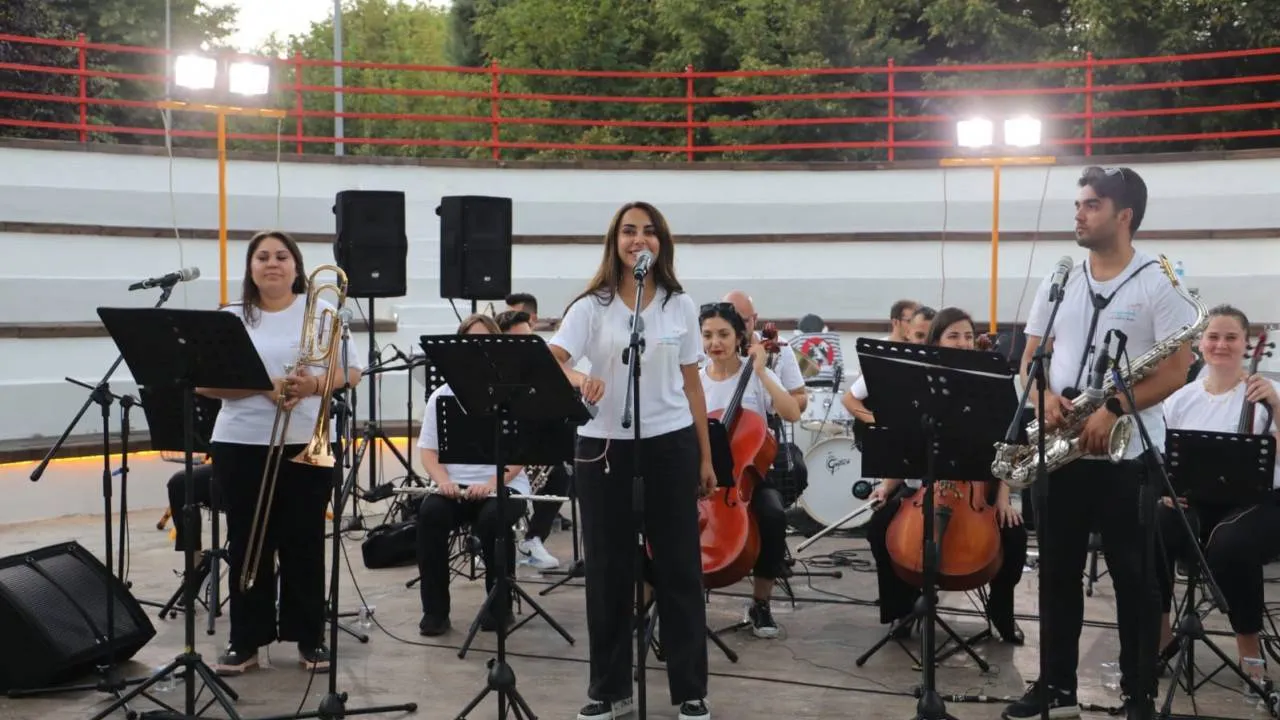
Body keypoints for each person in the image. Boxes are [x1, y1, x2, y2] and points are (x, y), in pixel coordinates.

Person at [1003, 166, 1196, 720]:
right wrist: (1042, 397)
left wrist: (1112, 408)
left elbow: (1177, 370)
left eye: (1091, 205)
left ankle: (1138, 693)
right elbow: (1029, 359)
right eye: (1078, 204)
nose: (1079, 214)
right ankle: (1055, 687)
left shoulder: (1159, 282)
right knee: (1057, 573)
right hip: (1061, 449)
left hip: (1126, 453)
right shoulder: (1060, 279)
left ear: (1123, 215)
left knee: (1135, 578)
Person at [548, 201, 715, 720]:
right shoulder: (590, 307)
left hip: (670, 442)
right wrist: (581, 378)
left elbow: (692, 385)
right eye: (628, 231)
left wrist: (705, 458)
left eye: (648, 231)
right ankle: (610, 689)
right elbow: (553, 361)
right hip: (603, 447)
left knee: (680, 569)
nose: (638, 239)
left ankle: (691, 691)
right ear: (614, 242)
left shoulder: (679, 305)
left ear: (661, 242)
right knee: (608, 572)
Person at [198, 230, 363, 676]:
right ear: (250, 268)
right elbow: (204, 384)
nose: (272, 263)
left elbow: (351, 371)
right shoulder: (231, 317)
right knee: (248, 541)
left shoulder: (323, 311)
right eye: (263, 257)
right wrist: (265, 387)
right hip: (241, 441)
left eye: (281, 256)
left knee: (304, 540)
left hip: (306, 437)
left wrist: (313, 385)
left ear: (296, 266)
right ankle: (246, 639)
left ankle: (309, 637)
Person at [862, 307, 1027, 643]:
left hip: (980, 487)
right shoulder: (919, 385)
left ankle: (1001, 612)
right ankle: (902, 608)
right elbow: (906, 443)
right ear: (936, 342)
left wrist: (1003, 497)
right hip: (928, 484)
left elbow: (1009, 447)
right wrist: (887, 486)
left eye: (968, 336)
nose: (963, 343)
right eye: (953, 336)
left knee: (1014, 535)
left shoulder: (990, 385)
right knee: (879, 526)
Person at [1155, 304, 1280, 684]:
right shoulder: (1181, 398)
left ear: (1246, 344)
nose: (1221, 344)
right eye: (1213, 336)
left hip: (1259, 503)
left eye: (1231, 337)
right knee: (1155, 525)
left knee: (1231, 542)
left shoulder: (1269, 394)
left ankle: (1249, 651)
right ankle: (1161, 639)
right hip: (1200, 500)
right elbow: (1163, 459)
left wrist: (1276, 406)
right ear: (1200, 343)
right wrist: (1166, 491)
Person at [415, 313, 531, 636]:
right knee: (430, 514)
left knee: (493, 518)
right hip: (454, 487)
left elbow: (519, 457)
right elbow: (428, 452)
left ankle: (500, 608)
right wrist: (443, 482)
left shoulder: (512, 394)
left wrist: (491, 484)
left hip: (503, 486)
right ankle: (435, 612)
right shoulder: (442, 396)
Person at [698, 302, 802, 638]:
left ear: (739, 336)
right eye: (708, 335)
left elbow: (792, 412)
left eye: (723, 334)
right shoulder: (696, 380)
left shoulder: (755, 374)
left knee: (772, 515)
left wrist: (761, 371)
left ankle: (760, 603)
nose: (715, 342)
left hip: (748, 476)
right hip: (703, 476)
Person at [494, 308, 566, 570]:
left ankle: (533, 539)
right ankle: (485, 539)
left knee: (560, 474)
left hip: (527, 450)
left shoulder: (539, 373)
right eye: (518, 341)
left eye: (530, 339)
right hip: (495, 453)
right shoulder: (491, 374)